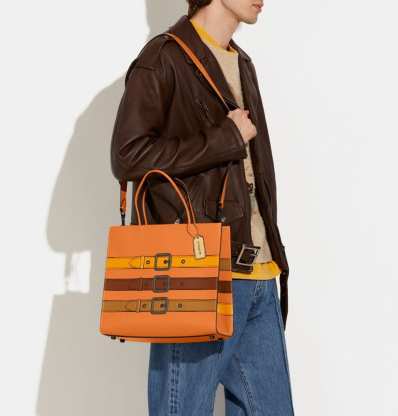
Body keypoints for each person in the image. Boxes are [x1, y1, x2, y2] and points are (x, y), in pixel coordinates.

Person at [110, 1, 295, 414]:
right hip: (199, 275)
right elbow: (127, 155)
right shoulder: (164, 57)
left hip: (259, 271)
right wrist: (224, 138)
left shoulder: (242, 63)